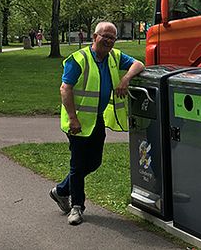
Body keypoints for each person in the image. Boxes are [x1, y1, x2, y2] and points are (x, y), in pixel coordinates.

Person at [49, 21, 144, 225]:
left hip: (96, 120)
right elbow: (65, 89)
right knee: (78, 164)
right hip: (78, 122)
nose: (108, 40)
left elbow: (139, 64)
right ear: (94, 37)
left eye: (112, 37)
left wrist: (125, 78)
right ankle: (77, 207)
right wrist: (73, 118)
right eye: (105, 36)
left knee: (94, 162)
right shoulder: (79, 59)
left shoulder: (114, 57)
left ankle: (61, 190)